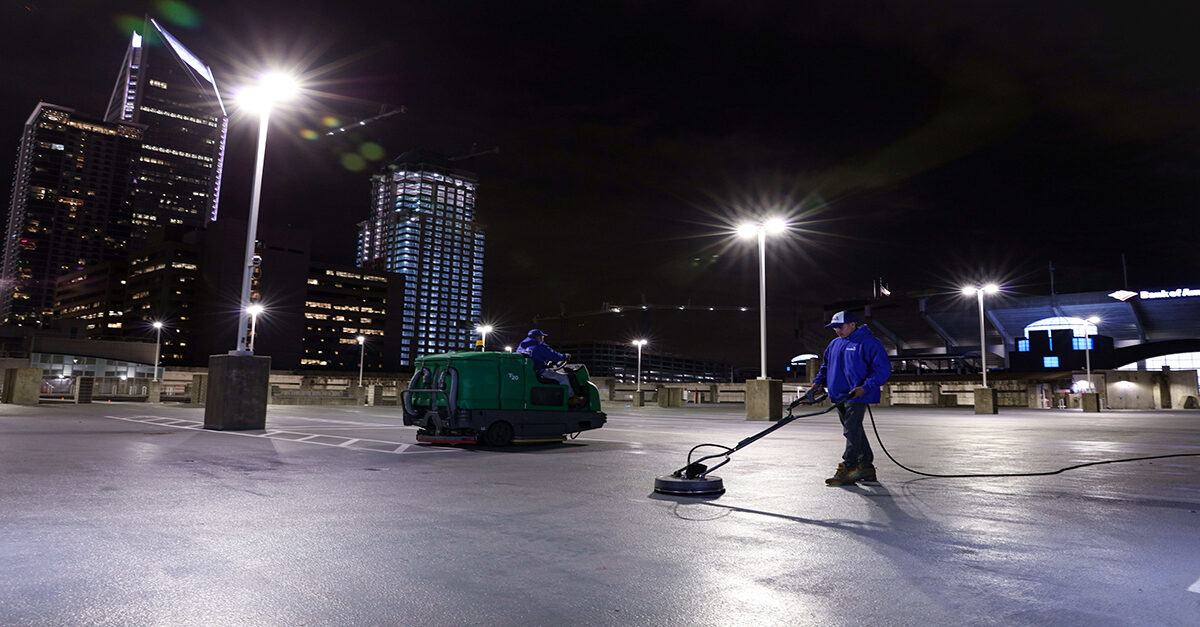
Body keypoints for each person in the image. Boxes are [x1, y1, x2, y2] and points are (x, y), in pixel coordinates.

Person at [808, 310, 892, 486]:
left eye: (841, 326)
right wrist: (818, 383)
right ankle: (866, 467)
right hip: (838, 394)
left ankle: (849, 467)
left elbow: (882, 369)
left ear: (853, 325)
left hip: (857, 394)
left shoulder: (869, 343)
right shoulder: (834, 344)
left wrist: (866, 387)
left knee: (851, 430)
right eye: (834, 328)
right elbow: (825, 366)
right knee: (855, 431)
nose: (837, 330)